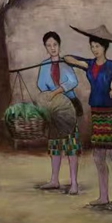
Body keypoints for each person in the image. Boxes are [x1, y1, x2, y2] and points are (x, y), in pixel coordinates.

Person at [64, 25, 112, 210]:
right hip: (97, 113)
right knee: (98, 157)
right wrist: (79, 61)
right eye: (92, 46)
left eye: (97, 46)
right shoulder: (90, 64)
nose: (94, 49)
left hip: (110, 113)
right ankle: (103, 196)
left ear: (105, 48)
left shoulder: (110, 66)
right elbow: (68, 58)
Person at [35, 31, 82, 195]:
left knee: (71, 145)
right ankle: (54, 180)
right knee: (54, 144)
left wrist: (56, 91)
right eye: (49, 45)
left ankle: (74, 183)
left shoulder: (65, 63)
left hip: (68, 107)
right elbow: (41, 84)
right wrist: (51, 96)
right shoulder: (44, 65)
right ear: (45, 47)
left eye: (55, 44)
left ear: (59, 45)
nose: (52, 48)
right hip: (53, 108)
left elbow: (73, 82)